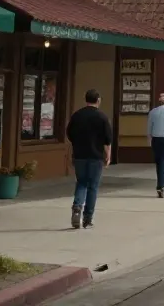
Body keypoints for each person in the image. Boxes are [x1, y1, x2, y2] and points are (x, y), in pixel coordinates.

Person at [65, 88, 112, 229]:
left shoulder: (77, 116)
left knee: (81, 183)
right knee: (93, 187)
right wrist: (108, 155)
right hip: (95, 156)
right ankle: (87, 218)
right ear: (98, 100)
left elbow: (69, 134)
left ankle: (77, 206)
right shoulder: (102, 117)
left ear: (86, 100)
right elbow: (107, 139)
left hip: (79, 155)